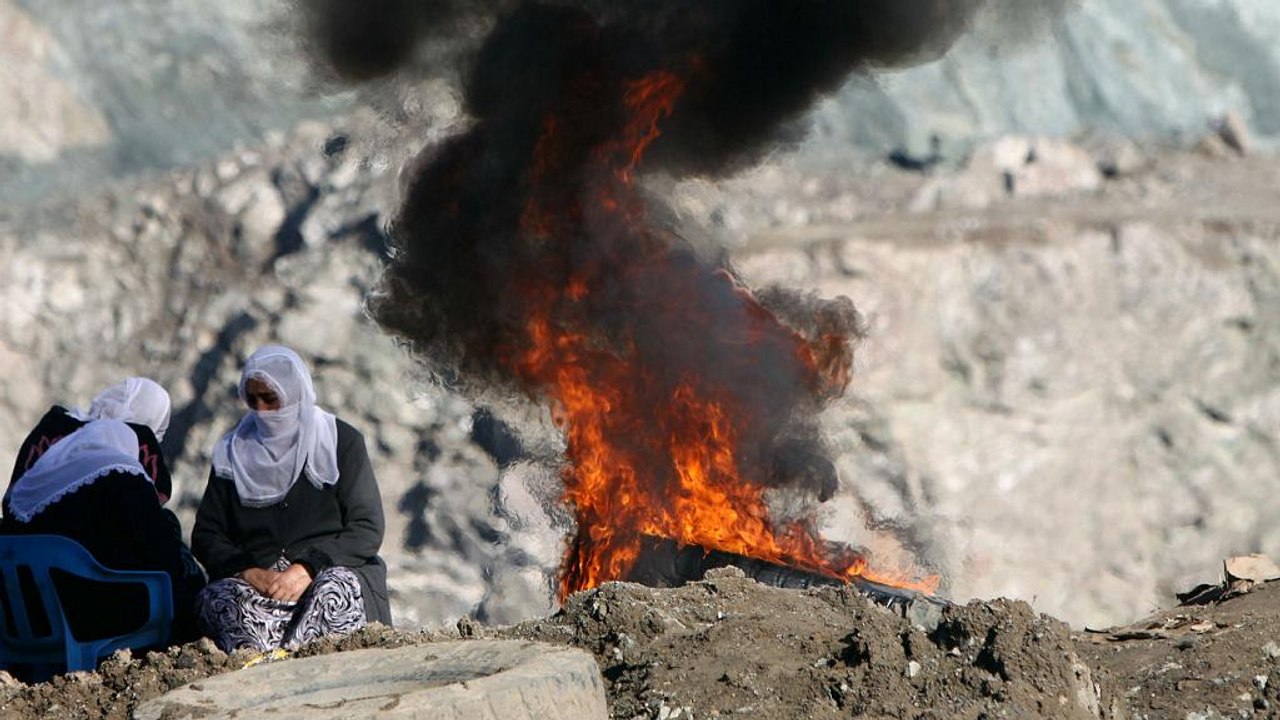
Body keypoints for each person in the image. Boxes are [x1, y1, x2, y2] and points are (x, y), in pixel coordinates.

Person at [192, 345, 391, 653]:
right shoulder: (232, 453)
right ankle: (263, 666)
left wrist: (306, 568)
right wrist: (248, 571)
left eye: (271, 399)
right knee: (219, 601)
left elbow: (366, 526)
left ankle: (311, 662)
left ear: (294, 393)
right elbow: (207, 533)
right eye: (253, 400)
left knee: (333, 593)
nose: (263, 411)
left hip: (325, 574)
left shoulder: (341, 442)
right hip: (260, 589)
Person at [1, 419, 207, 646]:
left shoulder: (35, 492)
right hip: (103, 621)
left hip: (32, 622)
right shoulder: (126, 479)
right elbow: (162, 552)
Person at [5, 377, 174, 515]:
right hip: (81, 549)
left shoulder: (55, 425)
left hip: (18, 530)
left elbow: (15, 491)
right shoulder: (138, 444)